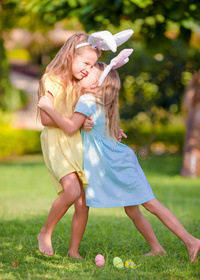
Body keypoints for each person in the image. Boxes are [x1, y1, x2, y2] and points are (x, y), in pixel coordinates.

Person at [38, 50, 200, 262]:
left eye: (89, 75)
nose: (83, 75)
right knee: (133, 210)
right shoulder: (101, 103)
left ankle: (191, 241)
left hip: (116, 165)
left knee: (150, 205)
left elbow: (69, 127)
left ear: (97, 83)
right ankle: (157, 248)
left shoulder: (87, 100)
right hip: (120, 162)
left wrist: (49, 108)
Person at [37, 31, 133, 258]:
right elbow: (45, 118)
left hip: (79, 145)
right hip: (57, 143)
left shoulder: (80, 82)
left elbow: (89, 111)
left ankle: (74, 252)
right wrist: (77, 123)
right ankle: (45, 232)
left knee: (82, 201)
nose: (88, 70)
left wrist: (102, 126)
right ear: (70, 55)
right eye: (86, 63)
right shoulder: (50, 79)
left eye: (92, 66)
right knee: (71, 190)